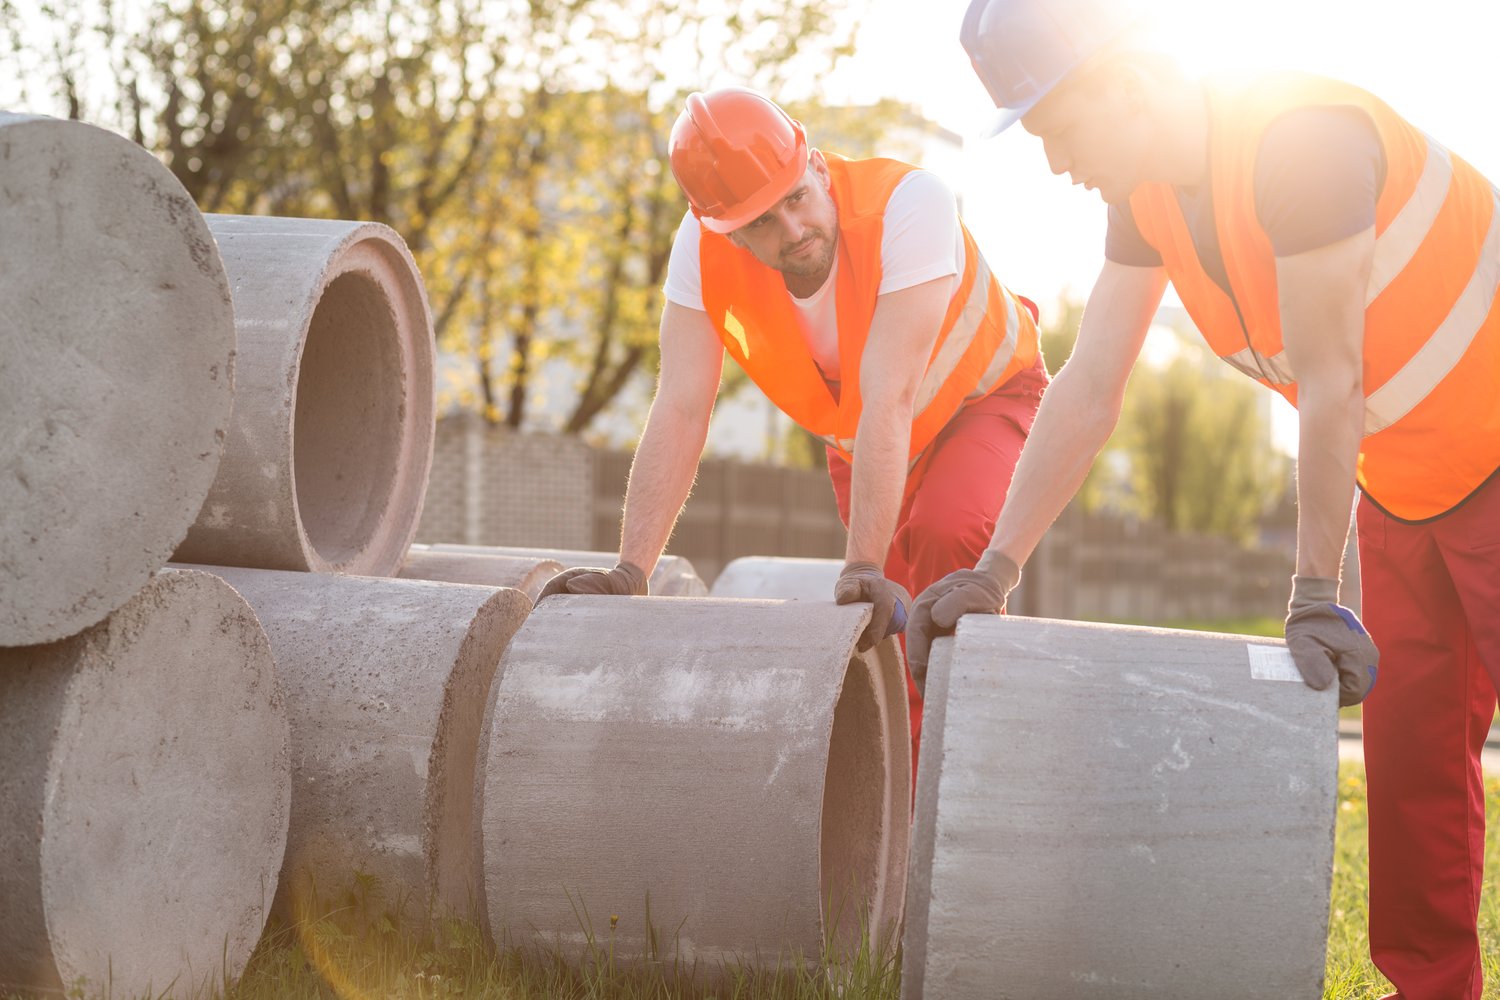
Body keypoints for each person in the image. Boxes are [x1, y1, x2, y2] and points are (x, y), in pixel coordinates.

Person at [909, 1, 1500, 996]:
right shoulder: (1149, 199)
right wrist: (994, 567)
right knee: (1412, 785)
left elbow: (1332, 376)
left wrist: (1313, 587)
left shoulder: (1298, 144)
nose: (1056, 163)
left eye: (1058, 129)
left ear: (1128, 81)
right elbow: (1091, 383)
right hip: (1409, 492)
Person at [540, 87, 1048, 769]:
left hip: (985, 398)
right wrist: (633, 570)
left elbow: (891, 394)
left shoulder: (909, 204)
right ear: (722, 228)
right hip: (864, 438)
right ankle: (897, 785)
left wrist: (861, 561)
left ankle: (958, 777)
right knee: (885, 626)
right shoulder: (698, 251)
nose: (793, 230)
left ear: (811, 159)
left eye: (797, 199)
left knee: (945, 537)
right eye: (762, 223)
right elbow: (681, 407)